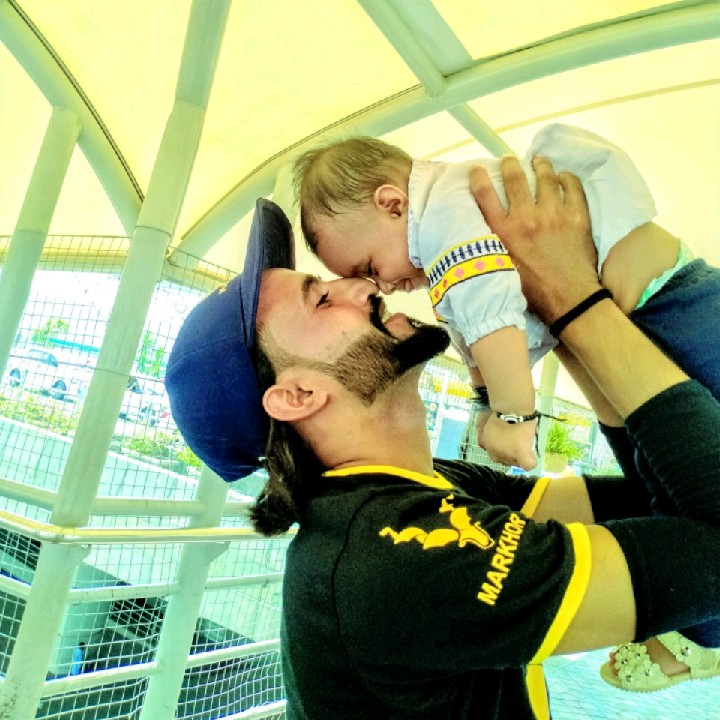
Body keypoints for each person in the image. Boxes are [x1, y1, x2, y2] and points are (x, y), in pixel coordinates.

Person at [165, 170, 720, 720]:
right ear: (298, 395)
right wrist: (571, 295)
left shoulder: (429, 486)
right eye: (322, 300)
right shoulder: (389, 563)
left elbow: (668, 500)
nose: (364, 287)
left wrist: (557, 311)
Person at [292, 123, 698, 473]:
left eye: (371, 267)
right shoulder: (448, 221)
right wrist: (485, 403)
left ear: (393, 205)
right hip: (655, 310)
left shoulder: (441, 219)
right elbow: (469, 331)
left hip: (672, 302)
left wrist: (513, 415)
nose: (381, 287)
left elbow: (491, 316)